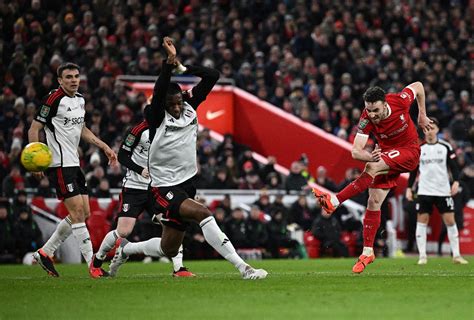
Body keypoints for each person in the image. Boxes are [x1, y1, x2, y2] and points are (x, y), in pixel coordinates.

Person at [110, 37, 267, 280]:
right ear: (163, 105)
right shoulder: (156, 118)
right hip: (163, 186)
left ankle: (127, 250)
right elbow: (160, 88)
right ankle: (244, 268)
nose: (177, 108)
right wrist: (168, 64)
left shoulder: (189, 105)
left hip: (186, 182)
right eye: (171, 104)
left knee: (168, 247)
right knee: (203, 213)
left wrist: (184, 69)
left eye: (179, 102)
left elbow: (212, 75)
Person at [312, 82, 433, 273]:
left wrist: (422, 114)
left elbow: (418, 86)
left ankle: (335, 200)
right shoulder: (366, 117)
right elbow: (355, 151)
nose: (372, 114)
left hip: (409, 152)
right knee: (373, 201)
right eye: (369, 110)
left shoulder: (400, 100)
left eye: (375, 110)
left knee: (372, 166)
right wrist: (371, 155)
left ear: (385, 104)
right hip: (386, 157)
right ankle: (367, 251)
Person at [28, 62, 117, 278]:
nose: (74, 80)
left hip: (74, 164)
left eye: (76, 76)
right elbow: (34, 128)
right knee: (78, 214)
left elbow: (82, 129)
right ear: (60, 80)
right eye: (68, 77)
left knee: (83, 213)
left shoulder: (80, 100)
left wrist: (104, 146)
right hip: (58, 165)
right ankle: (92, 265)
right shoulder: (53, 99)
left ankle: (45, 252)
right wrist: (34, 158)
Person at [91, 118, 194, 277]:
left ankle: (178, 268)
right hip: (134, 188)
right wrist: (140, 170)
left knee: (173, 225)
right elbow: (123, 156)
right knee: (123, 231)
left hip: (157, 188)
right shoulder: (138, 130)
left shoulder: (169, 130)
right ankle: (97, 261)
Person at [406, 117, 468, 265]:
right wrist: (409, 188)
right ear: (423, 131)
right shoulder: (419, 149)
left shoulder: (446, 147)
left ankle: (457, 255)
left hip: (442, 190)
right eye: (426, 129)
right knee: (422, 221)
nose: (429, 131)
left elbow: (454, 167)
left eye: (432, 128)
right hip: (424, 191)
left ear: (437, 130)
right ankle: (422, 256)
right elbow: (413, 172)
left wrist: (456, 182)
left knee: (450, 221)